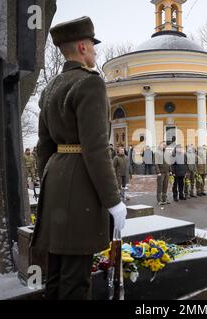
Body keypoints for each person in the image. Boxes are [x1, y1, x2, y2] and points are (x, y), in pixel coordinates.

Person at [30, 16, 127, 300]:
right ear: (83, 47)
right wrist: (114, 201)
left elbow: (43, 146)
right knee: (76, 278)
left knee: (57, 273)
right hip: (80, 187)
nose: (96, 52)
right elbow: (95, 149)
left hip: (56, 182)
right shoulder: (90, 84)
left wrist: (49, 183)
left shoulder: (51, 88)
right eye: (94, 46)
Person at [154, 141, 171, 205]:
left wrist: (170, 170)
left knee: (165, 186)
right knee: (160, 186)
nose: (164, 146)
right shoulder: (157, 152)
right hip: (161, 172)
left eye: (165, 145)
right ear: (160, 145)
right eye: (163, 145)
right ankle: (159, 200)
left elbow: (169, 162)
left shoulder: (167, 152)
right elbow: (156, 163)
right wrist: (158, 172)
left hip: (167, 172)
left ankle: (164, 199)